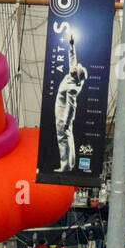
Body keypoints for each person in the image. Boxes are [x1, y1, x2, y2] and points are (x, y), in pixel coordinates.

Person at [54, 35, 87, 171]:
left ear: (76, 75)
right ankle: (69, 164)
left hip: (63, 112)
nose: (74, 67)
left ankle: (65, 164)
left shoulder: (73, 88)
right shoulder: (72, 75)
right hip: (60, 107)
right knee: (68, 137)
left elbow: (71, 107)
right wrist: (72, 45)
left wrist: (66, 122)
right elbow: (72, 58)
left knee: (63, 137)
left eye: (75, 69)